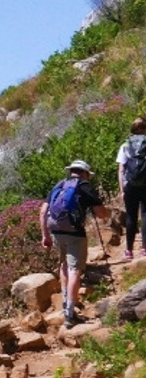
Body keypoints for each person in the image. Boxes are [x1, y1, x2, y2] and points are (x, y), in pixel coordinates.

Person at [39, 159, 109, 327]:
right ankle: (70, 314)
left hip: (56, 231)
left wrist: (45, 236)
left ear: (71, 171)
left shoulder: (59, 185)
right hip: (75, 233)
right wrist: (105, 215)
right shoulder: (85, 186)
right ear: (84, 173)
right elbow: (101, 213)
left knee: (64, 265)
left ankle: (65, 302)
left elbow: (43, 212)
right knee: (75, 270)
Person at [116, 117, 146, 260]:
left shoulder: (125, 145)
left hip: (130, 186)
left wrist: (122, 189)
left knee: (131, 217)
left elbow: (121, 170)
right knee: (145, 216)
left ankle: (128, 250)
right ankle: (145, 249)